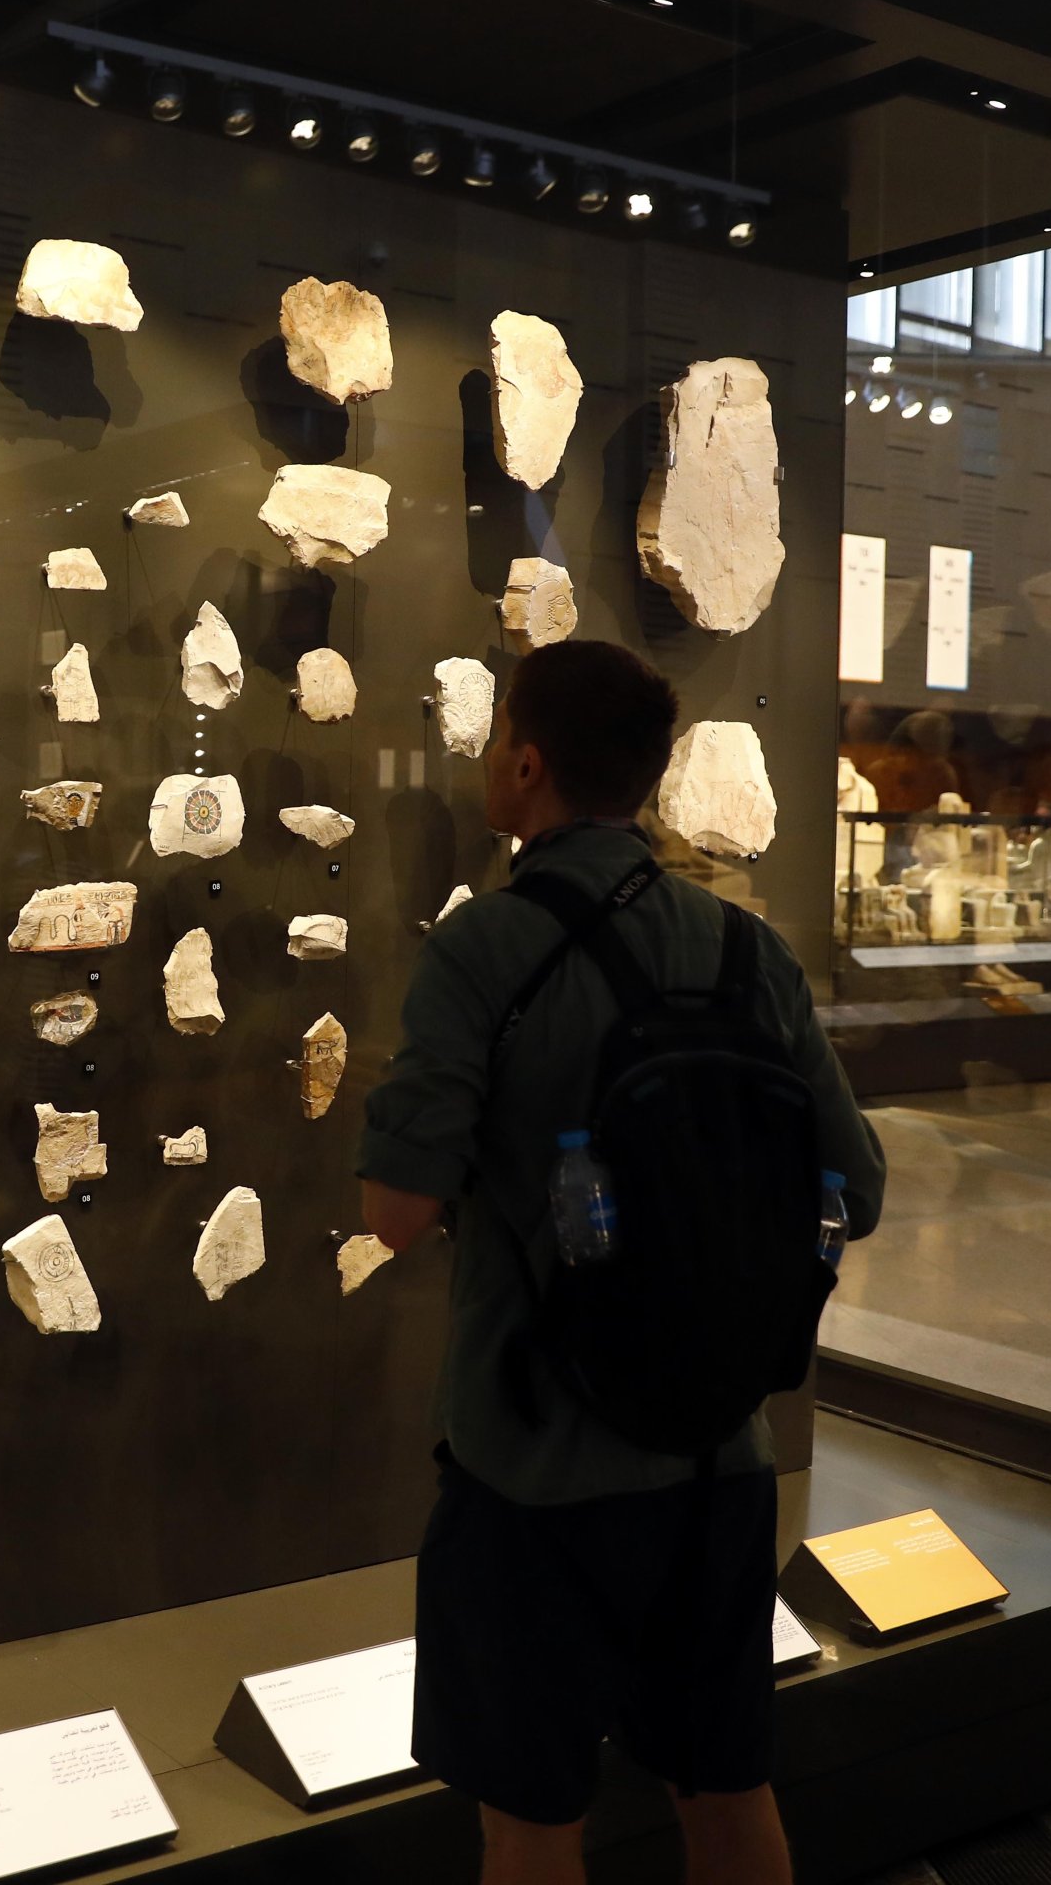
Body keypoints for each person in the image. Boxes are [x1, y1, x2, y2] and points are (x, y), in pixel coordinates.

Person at [356, 641, 886, 1885]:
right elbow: (855, 1186)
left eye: (501, 740)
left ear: (525, 765)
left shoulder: (483, 949)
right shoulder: (745, 949)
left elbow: (395, 1210)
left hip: (534, 1464)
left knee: (532, 1821)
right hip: (718, 1453)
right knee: (727, 1788)